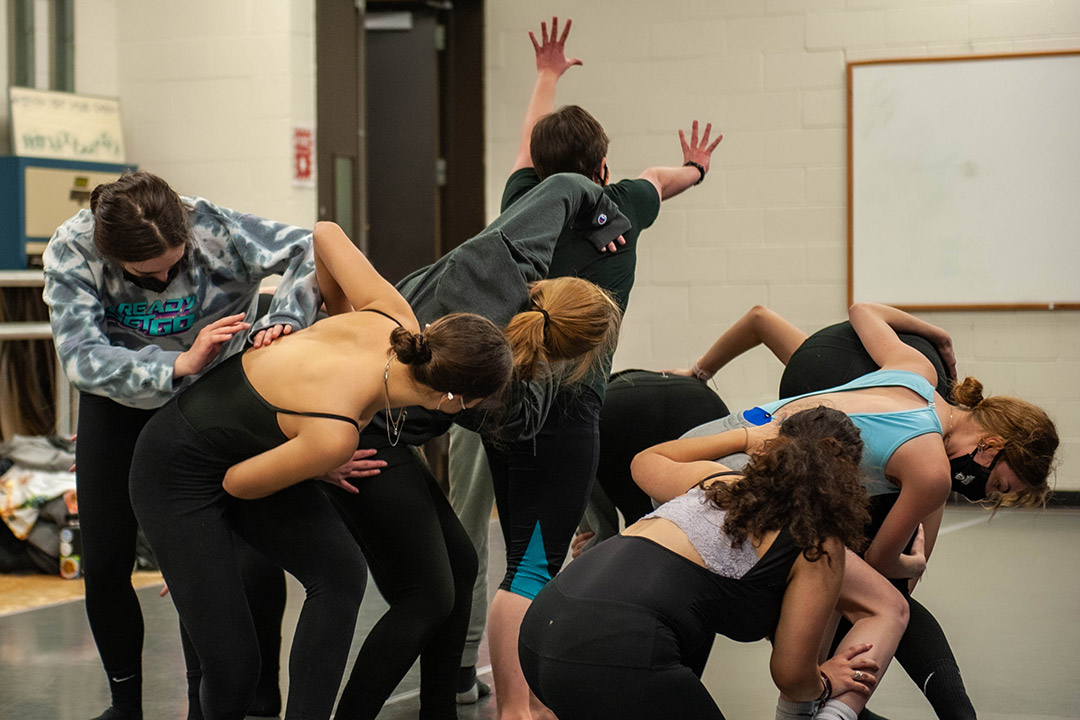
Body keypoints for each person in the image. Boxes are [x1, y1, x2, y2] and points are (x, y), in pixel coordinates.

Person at [127, 220, 515, 720]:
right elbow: (235, 485)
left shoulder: (395, 318)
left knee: (341, 572)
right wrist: (311, 460)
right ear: (452, 400)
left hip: (244, 446)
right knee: (236, 668)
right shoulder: (337, 435)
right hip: (178, 471)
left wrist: (333, 309)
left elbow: (326, 233)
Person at [465, 18, 725, 719]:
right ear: (601, 169)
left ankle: (526, 703)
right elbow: (662, 180)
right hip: (568, 415)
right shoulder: (621, 209)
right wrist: (697, 168)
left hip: (501, 408)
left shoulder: (521, 205)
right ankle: (519, 708)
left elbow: (528, 144)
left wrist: (546, 76)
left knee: (520, 550)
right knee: (533, 564)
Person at [324, 171, 630, 720]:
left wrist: (604, 215)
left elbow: (564, 185)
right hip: (351, 431)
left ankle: (443, 706)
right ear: (565, 362)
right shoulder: (511, 396)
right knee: (428, 596)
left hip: (365, 414)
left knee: (461, 567)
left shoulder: (502, 258)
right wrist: (326, 448)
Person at [676, 303, 1059, 720]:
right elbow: (880, 563)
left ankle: (813, 701)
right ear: (990, 445)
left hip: (702, 446)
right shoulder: (932, 472)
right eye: (998, 485)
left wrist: (937, 335)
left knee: (830, 554)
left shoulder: (917, 372)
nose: (985, 494)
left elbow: (863, 310)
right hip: (734, 491)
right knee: (887, 604)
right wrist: (913, 564)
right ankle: (823, 710)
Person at [42, 171, 320, 720]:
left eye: (175, 261)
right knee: (105, 562)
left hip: (214, 402)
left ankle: (227, 703)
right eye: (150, 273)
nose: (167, 276)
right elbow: (81, 359)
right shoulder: (71, 249)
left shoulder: (215, 226)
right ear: (109, 252)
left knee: (229, 557)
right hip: (120, 403)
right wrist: (177, 362)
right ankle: (126, 704)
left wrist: (287, 316)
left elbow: (314, 247)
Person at [519, 406, 906, 720]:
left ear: (771, 451)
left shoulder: (714, 481)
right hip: (610, 652)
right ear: (849, 480)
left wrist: (743, 437)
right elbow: (791, 674)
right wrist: (823, 683)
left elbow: (646, 461)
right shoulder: (818, 542)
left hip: (543, 626)